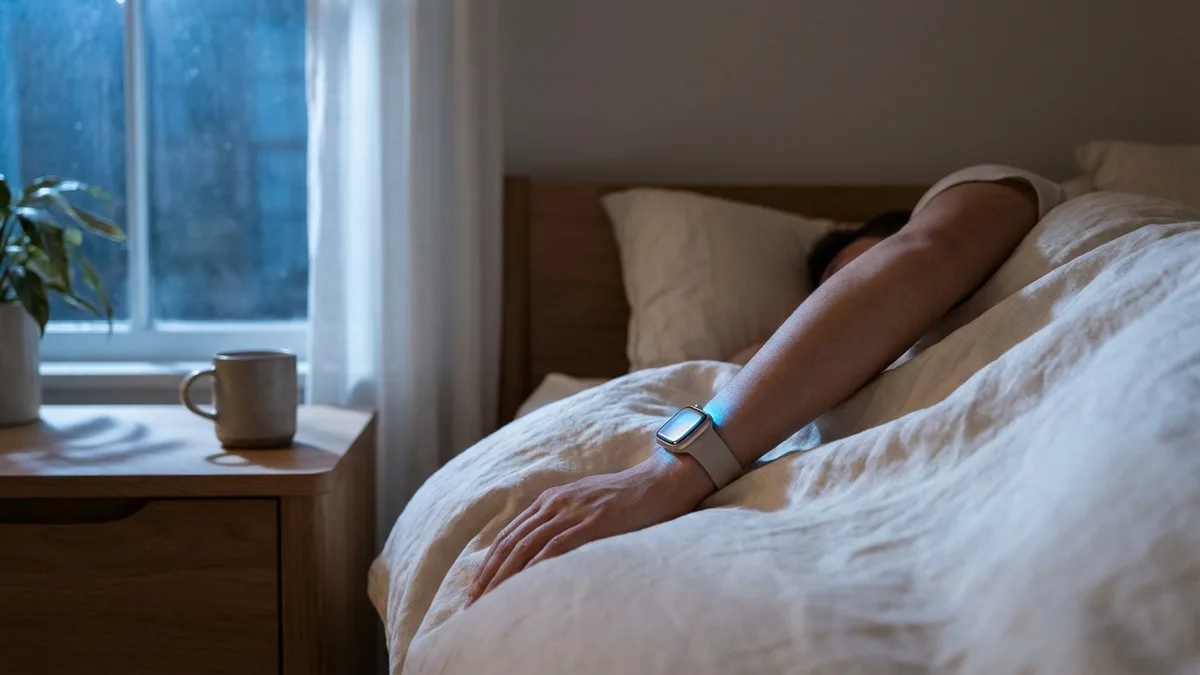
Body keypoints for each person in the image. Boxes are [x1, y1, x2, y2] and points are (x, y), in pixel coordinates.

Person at [466, 166, 1067, 606]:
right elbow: (756, 365)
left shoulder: (995, 190)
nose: (843, 297)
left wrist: (667, 472)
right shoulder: (792, 357)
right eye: (828, 292)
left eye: (857, 277)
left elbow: (928, 253)